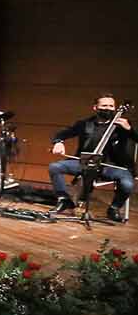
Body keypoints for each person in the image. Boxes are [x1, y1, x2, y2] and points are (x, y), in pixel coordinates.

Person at [49, 93, 134, 222]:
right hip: (85, 162)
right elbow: (62, 133)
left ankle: (114, 208)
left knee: (127, 184)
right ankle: (64, 199)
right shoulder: (85, 124)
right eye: (104, 105)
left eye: (111, 106)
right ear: (95, 108)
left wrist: (129, 129)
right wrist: (58, 142)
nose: (108, 108)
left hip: (111, 166)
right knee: (55, 167)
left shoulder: (122, 126)